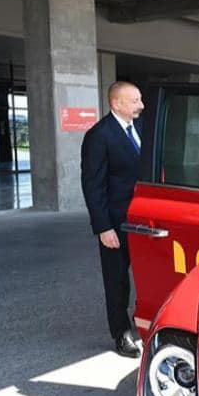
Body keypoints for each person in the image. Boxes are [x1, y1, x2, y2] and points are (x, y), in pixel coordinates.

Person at [80, 81, 144, 358]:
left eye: (140, 100)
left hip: (145, 218)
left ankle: (145, 319)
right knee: (117, 279)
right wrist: (103, 227)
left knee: (148, 271)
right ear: (116, 103)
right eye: (135, 101)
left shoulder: (142, 129)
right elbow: (93, 185)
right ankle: (121, 332)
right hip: (116, 222)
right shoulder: (99, 135)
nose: (141, 106)